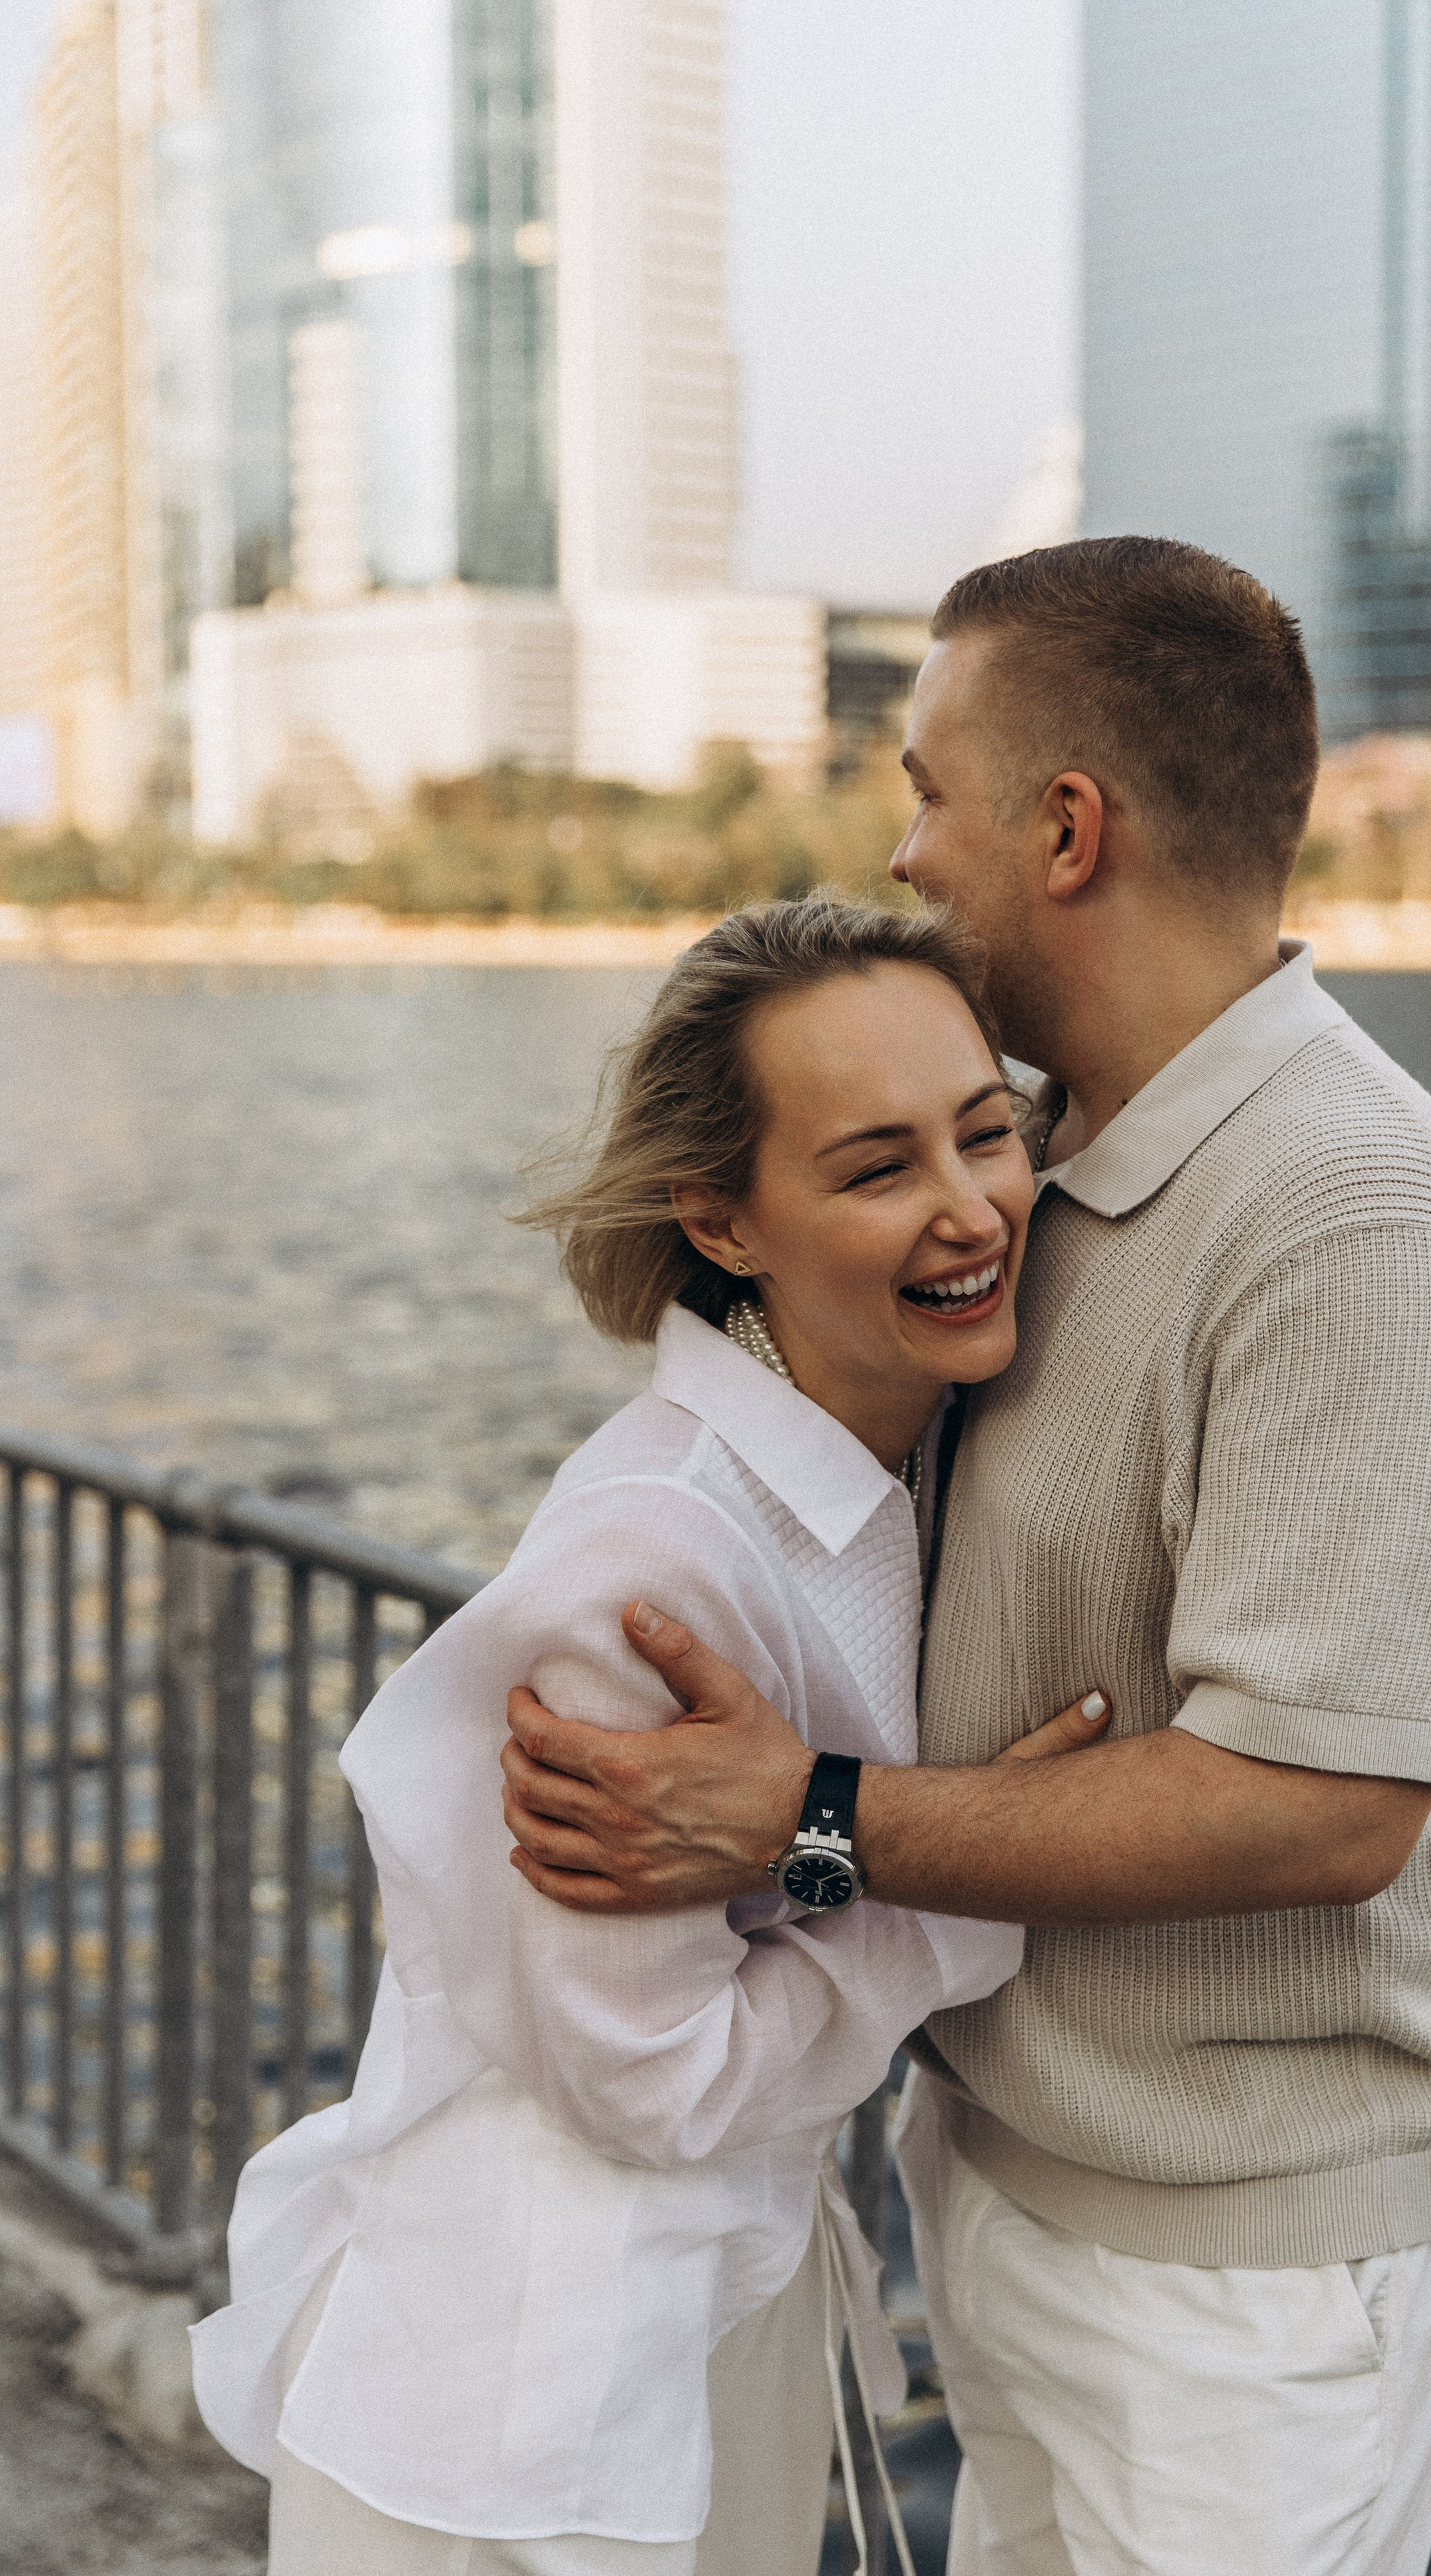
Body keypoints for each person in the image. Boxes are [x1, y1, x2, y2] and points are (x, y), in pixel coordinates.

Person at [497, 537, 1431, 2575]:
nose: (906, 849)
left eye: (929, 789)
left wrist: (799, 1817)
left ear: (1065, 826)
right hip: (1022, 2182)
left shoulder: (1348, 1218)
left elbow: (1321, 1807)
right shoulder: (1045, 1156)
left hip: (1246, 2280)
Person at [189, 896, 1107, 2576]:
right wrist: (959, 1875)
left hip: (697, 2320)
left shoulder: (872, 1476)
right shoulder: (654, 1562)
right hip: (523, 2403)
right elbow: (645, 2080)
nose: (972, 1206)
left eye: (988, 1132)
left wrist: (829, 1829)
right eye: (875, 1166)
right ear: (721, 1216)